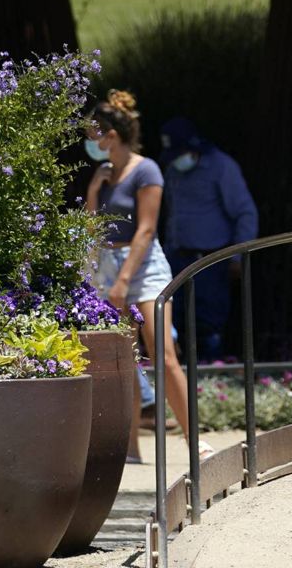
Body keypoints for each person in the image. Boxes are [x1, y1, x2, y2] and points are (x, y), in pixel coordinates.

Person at [85, 90, 212, 459]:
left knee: (162, 352)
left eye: (95, 133)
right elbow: (94, 229)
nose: (90, 141)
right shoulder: (105, 174)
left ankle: (194, 439)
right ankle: (129, 447)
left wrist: (124, 280)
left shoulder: (146, 170)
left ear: (112, 135)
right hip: (108, 264)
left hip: (141, 265)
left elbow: (145, 229)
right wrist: (94, 190)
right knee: (121, 359)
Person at [158, 117, 258, 363]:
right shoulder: (173, 168)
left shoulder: (222, 167)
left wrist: (237, 256)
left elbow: (245, 213)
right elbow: (172, 213)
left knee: (208, 327)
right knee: (175, 324)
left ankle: (211, 382)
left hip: (210, 261)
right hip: (176, 258)